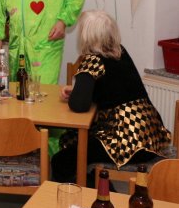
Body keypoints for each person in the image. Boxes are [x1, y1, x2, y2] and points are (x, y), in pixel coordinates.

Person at [51, 10, 172, 185]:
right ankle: (101, 191)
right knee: (75, 143)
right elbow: (112, 90)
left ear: (86, 36)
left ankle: (82, 195)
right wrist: (78, 90)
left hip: (125, 141)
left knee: (62, 160)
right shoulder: (121, 52)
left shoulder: (92, 60)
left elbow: (79, 105)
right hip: (150, 135)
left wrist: (77, 94)